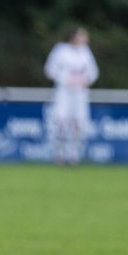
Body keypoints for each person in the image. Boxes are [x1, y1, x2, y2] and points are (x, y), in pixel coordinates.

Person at [44, 26, 99, 166]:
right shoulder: (60, 50)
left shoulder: (86, 52)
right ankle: (59, 155)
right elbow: (50, 69)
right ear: (73, 37)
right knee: (61, 122)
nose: (84, 39)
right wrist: (65, 79)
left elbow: (93, 71)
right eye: (81, 36)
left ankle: (74, 156)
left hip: (80, 94)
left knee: (78, 124)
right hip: (64, 92)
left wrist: (86, 80)